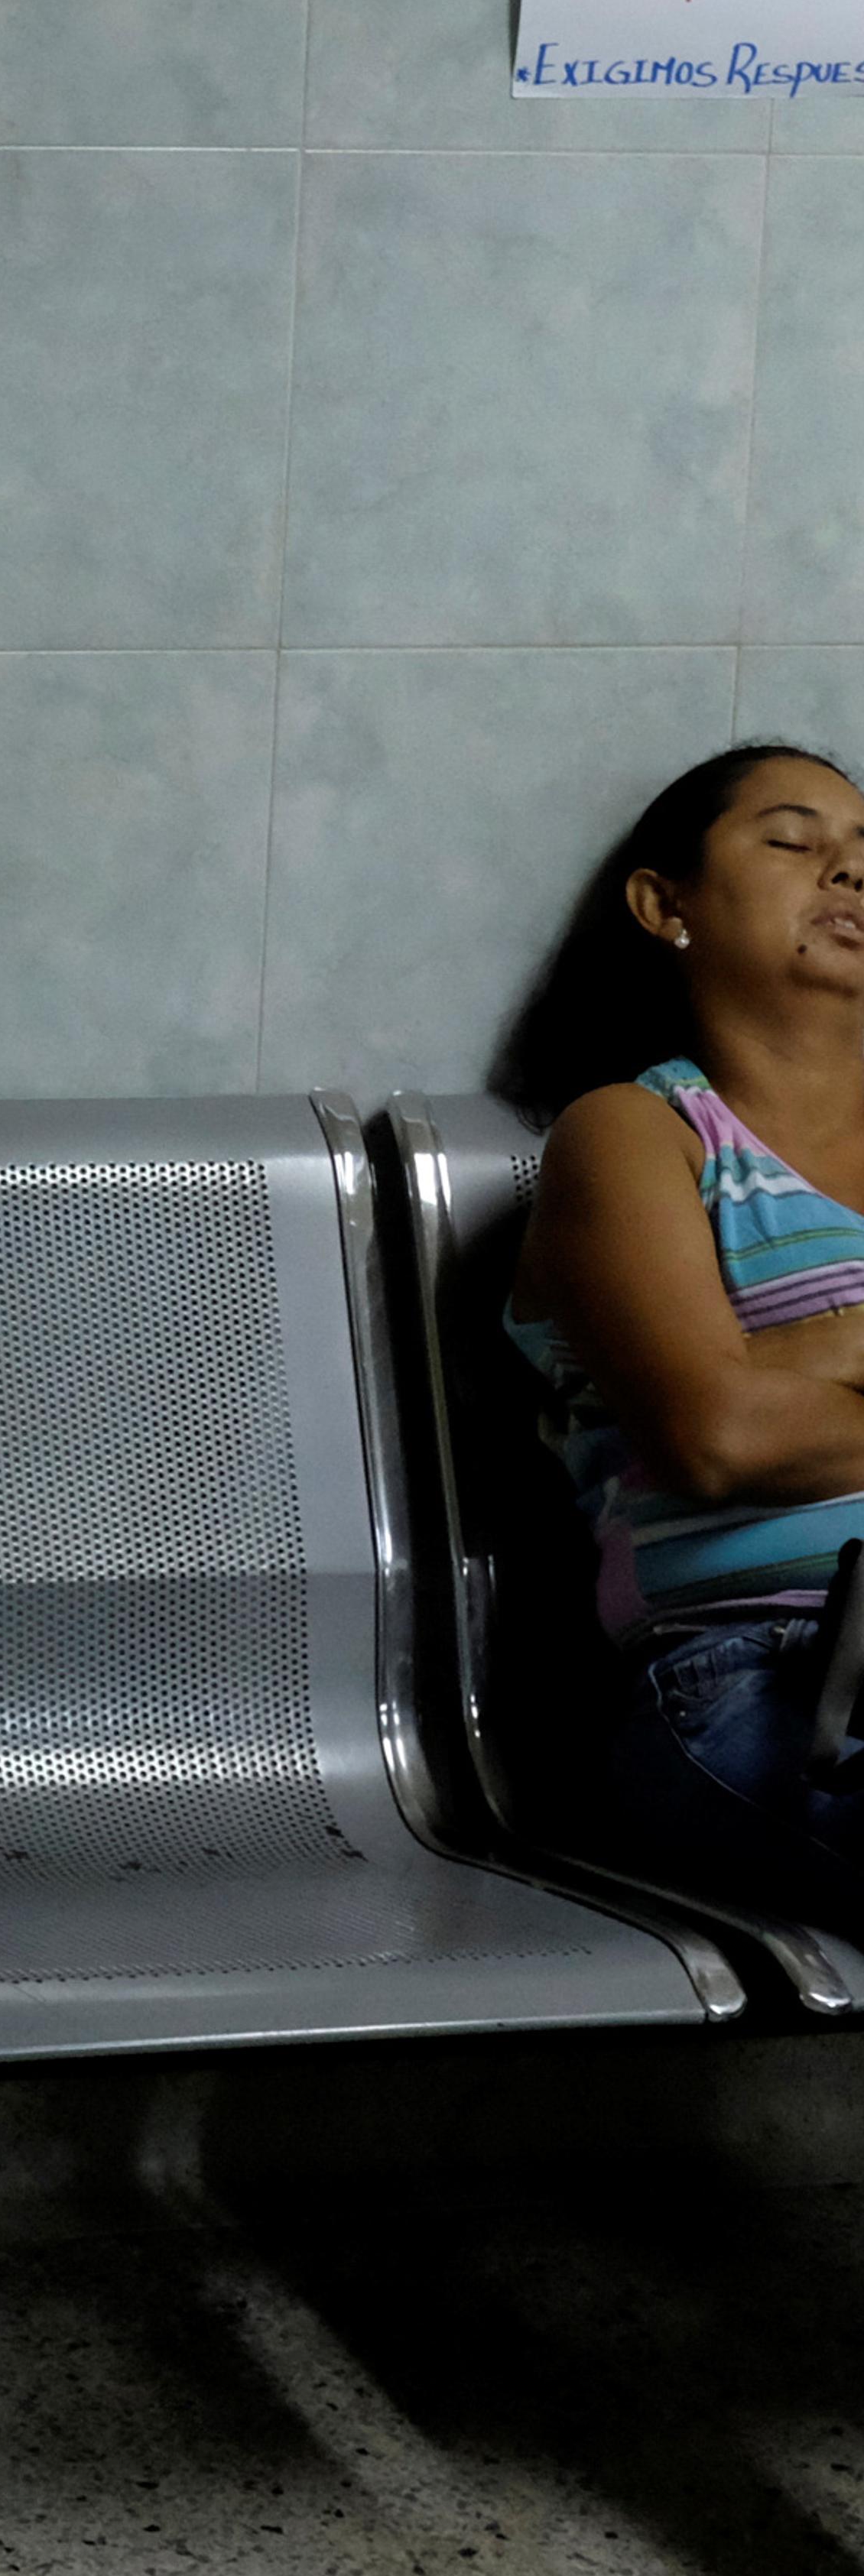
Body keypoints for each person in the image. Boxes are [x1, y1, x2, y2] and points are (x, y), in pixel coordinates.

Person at [499, 741, 864, 1930]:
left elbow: (753, 1404)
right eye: (795, 841)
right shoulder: (633, 1137)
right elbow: (713, 1436)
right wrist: (746, 1392)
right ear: (667, 906)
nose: (850, 875)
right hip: (763, 1677)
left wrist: (793, 1359)